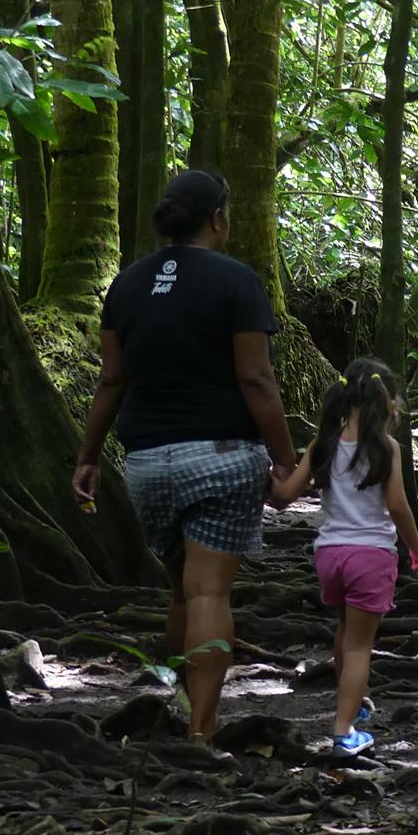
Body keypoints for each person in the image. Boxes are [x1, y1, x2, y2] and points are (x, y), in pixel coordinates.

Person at [73, 170, 298, 743]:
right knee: (209, 593)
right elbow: (256, 380)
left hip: (148, 462)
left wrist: (88, 458)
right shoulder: (237, 282)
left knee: (181, 591)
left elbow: (111, 381)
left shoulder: (126, 284)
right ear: (219, 217)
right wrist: (285, 459)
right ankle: (201, 729)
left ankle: (179, 706)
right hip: (222, 458)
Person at [270, 358, 418, 755]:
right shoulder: (386, 448)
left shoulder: (322, 443)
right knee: (360, 647)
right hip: (371, 556)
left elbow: (285, 496)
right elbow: (397, 505)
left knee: (345, 631)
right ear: (387, 402)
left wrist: (268, 476)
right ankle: (344, 733)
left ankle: (353, 704)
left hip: (330, 556)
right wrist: (416, 547)